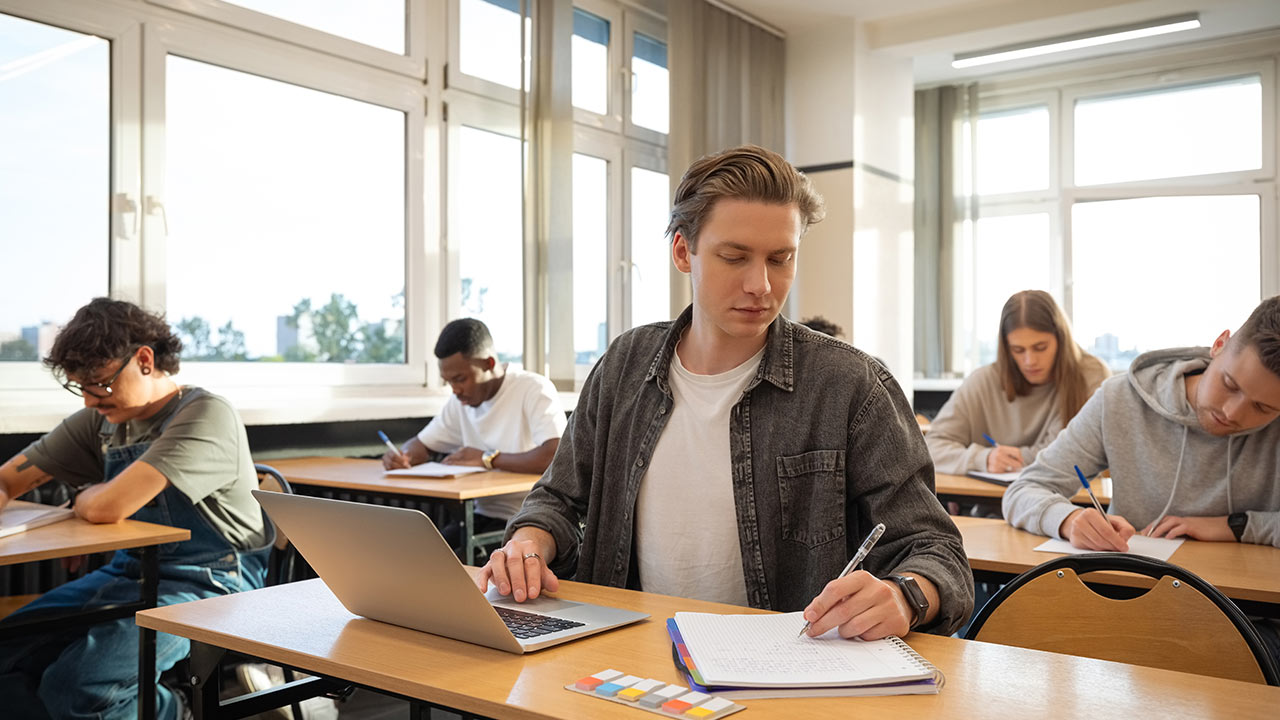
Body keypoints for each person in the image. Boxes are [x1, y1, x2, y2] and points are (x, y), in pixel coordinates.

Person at [478, 145, 974, 639]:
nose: (761, 285)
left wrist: (905, 595)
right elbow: (558, 499)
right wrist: (529, 543)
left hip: (786, 667)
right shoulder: (625, 366)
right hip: (629, 651)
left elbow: (937, 551)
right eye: (734, 257)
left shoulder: (850, 385)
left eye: (780, 259)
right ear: (682, 252)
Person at [0, 298, 271, 720]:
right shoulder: (105, 421)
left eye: (100, 384)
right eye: (80, 387)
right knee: (7, 654)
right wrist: (87, 498)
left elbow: (109, 506)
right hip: (131, 571)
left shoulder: (205, 414)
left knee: (80, 687)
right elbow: (7, 480)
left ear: (144, 360)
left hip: (214, 581)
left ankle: (177, 711)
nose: (89, 401)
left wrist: (84, 497)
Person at [382, 318, 566, 550]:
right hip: (480, 517)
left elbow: (555, 457)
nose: (455, 390)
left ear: (489, 363)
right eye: (448, 381)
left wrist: (487, 458)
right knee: (417, 554)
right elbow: (421, 444)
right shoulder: (461, 402)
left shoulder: (533, 388)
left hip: (531, 520)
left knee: (453, 563)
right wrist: (403, 456)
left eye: (460, 379)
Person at [926, 290, 1109, 476]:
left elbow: (1072, 454)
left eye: (1040, 348)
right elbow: (931, 448)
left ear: (1061, 340)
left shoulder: (1090, 375)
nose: (1030, 361)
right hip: (995, 494)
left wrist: (1012, 459)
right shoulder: (983, 381)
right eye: (1018, 350)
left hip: (1068, 494)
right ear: (1006, 348)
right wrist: (983, 459)